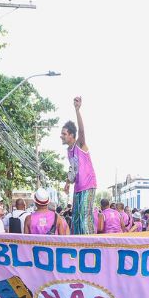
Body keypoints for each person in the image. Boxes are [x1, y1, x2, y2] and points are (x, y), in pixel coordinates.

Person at [61, 96, 97, 234]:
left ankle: (91, 242)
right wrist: (67, 183)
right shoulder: (68, 151)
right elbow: (73, 169)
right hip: (78, 187)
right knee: (75, 218)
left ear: (71, 135)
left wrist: (77, 110)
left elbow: (82, 131)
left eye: (64, 134)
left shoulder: (80, 145)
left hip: (88, 184)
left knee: (84, 217)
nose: (61, 136)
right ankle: (77, 243)